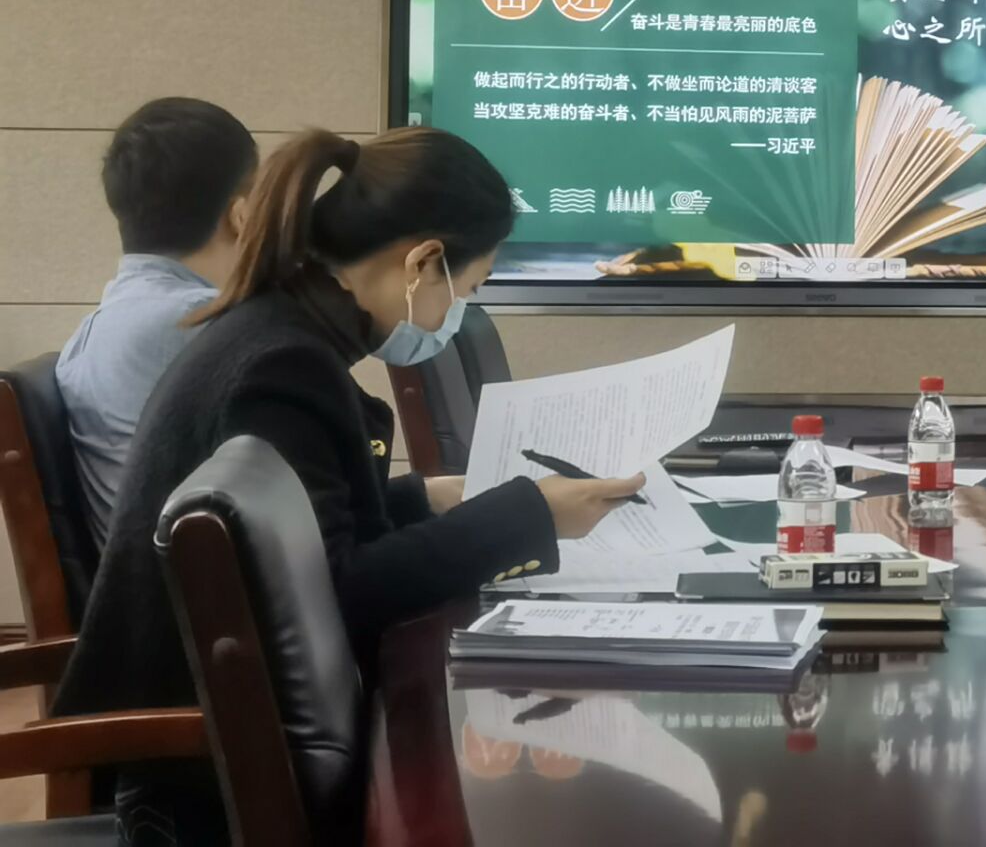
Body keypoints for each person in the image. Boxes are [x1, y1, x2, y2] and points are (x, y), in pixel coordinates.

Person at [55, 127, 647, 844]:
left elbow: (300, 540)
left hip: (213, 740)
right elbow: (339, 589)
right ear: (422, 262)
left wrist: (424, 497)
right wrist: (531, 515)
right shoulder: (283, 364)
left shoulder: (275, 331)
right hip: (201, 781)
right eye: (468, 288)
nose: (456, 314)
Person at [57, 97, 259, 545]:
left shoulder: (95, 328)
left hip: (155, 574)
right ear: (242, 216)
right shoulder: (206, 324)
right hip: (208, 582)